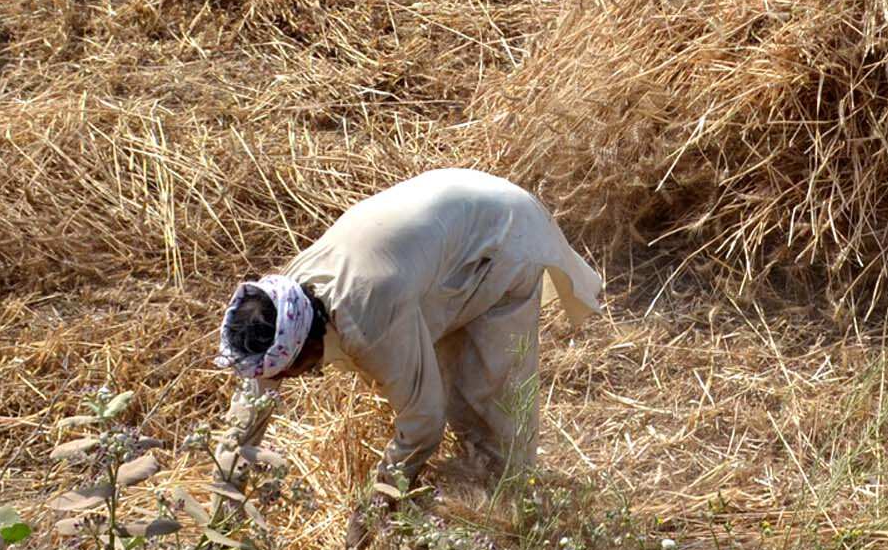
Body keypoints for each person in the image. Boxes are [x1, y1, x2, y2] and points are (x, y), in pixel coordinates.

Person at [218, 169, 605, 506]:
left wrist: (379, 498)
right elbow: (256, 390)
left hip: (501, 236)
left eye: (290, 372)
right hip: (453, 210)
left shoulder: (368, 321)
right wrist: (224, 492)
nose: (286, 381)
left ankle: (511, 508)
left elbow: (423, 421)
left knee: (488, 406)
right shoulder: (284, 298)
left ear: (305, 347)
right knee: (444, 376)